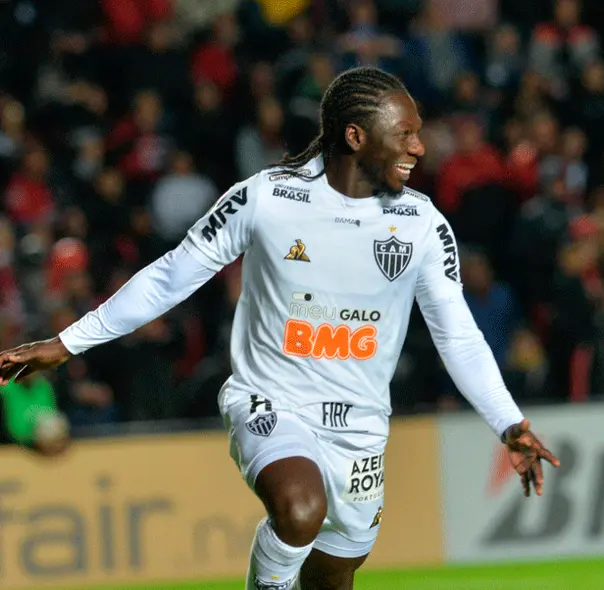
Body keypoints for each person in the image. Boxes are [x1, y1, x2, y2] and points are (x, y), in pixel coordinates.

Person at [0, 67, 559, 590]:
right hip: (270, 400)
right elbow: (172, 276)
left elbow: (457, 334)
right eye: (406, 132)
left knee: (336, 569)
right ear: (357, 137)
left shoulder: (420, 223)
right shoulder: (267, 197)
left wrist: (509, 422)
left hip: (360, 427)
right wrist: (69, 341)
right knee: (299, 510)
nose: (419, 146)